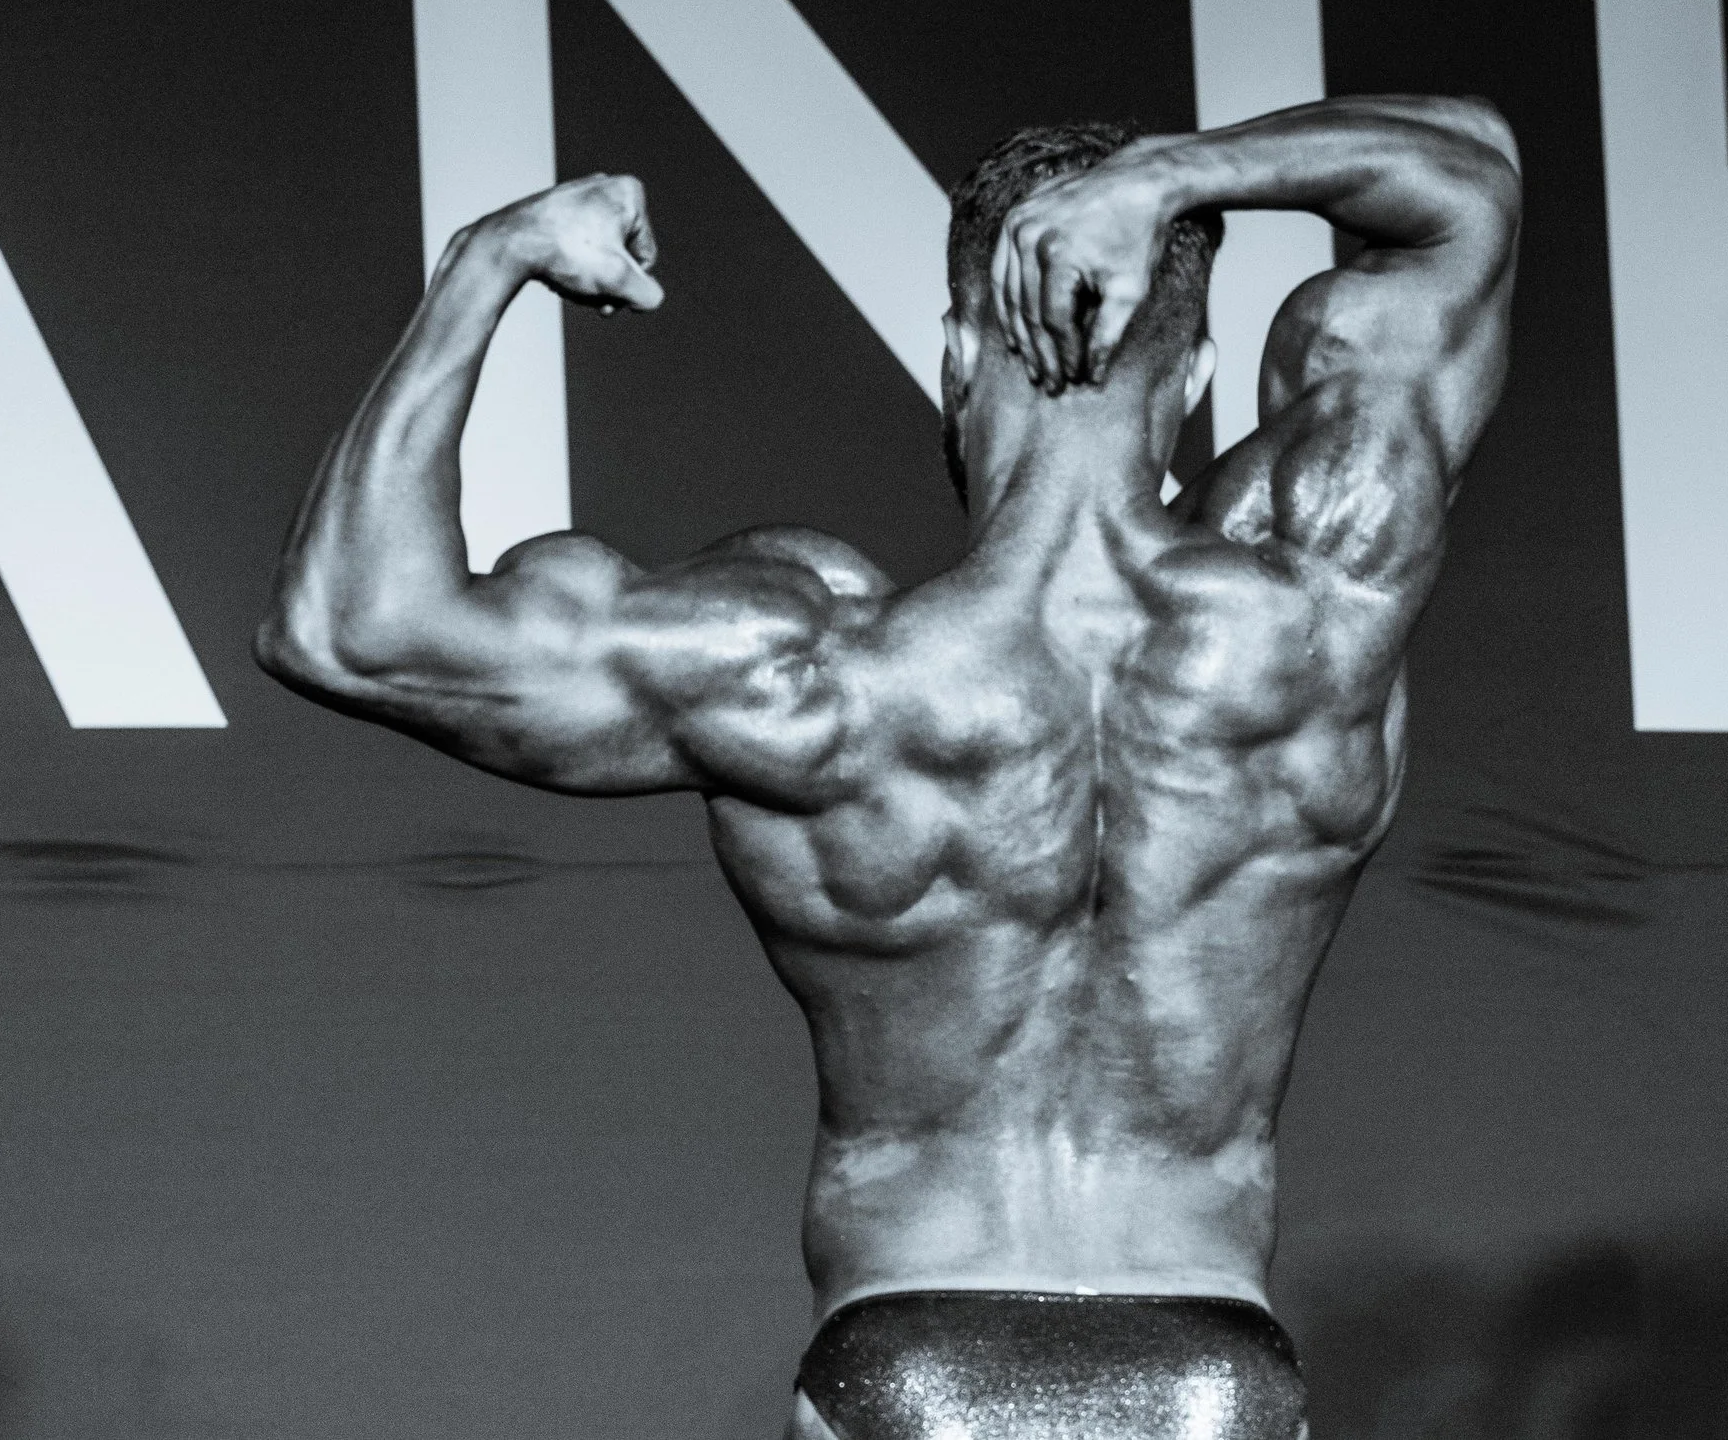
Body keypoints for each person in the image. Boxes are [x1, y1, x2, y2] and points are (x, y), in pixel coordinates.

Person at [257, 94, 1518, 1439]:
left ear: (957, 356)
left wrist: (489, 260)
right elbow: (1469, 185)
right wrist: (1170, 179)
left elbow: (346, 630)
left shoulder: (811, 669)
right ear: (1199, 373)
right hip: (1210, 1371)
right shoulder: (1317, 617)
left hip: (915, 1365)